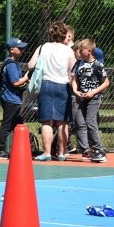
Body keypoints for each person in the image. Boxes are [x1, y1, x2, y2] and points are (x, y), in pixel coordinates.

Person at [27, 21, 75, 161]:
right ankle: (61, 153)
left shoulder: (43, 47)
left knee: (47, 121)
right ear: (64, 35)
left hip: (46, 84)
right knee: (62, 122)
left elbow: (31, 65)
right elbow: (73, 71)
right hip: (63, 85)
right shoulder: (68, 50)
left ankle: (47, 153)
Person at [71, 38, 109, 163]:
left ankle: (98, 150)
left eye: (82, 50)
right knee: (80, 121)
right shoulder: (78, 64)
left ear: (89, 51)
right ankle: (90, 149)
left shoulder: (98, 65)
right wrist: (76, 91)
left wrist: (93, 92)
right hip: (82, 98)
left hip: (94, 97)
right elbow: (74, 79)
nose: (79, 52)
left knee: (90, 121)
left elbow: (106, 82)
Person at [0, 38, 30, 159]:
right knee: (7, 124)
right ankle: (0, 150)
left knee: (18, 124)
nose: (22, 50)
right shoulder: (11, 65)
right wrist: (26, 77)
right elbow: (15, 82)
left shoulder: (10, 63)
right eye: (20, 48)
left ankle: (21, 147)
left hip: (13, 99)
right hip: (11, 99)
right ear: (12, 50)